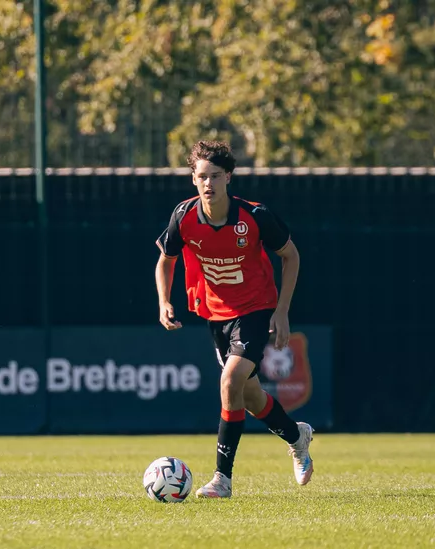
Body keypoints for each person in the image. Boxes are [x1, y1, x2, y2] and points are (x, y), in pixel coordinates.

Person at [154, 140, 313, 498]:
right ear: (193, 180)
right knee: (251, 396)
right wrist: (164, 301)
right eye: (201, 177)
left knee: (230, 383)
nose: (208, 184)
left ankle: (222, 479)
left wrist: (282, 311)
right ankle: (296, 436)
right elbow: (166, 260)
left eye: (214, 176)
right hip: (216, 315)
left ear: (228, 177)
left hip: (256, 309)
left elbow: (291, 256)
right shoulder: (184, 216)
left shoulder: (254, 217)